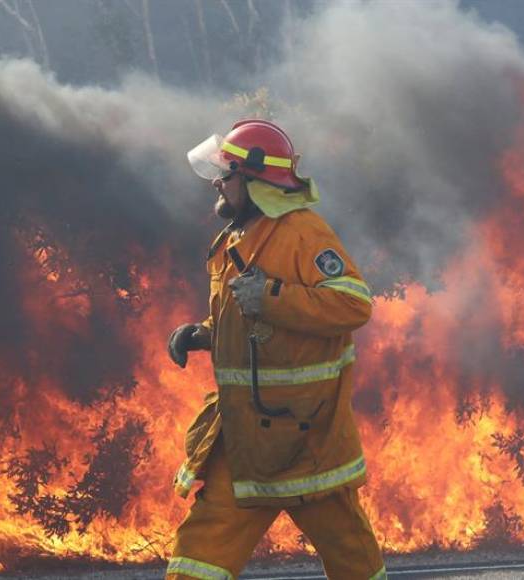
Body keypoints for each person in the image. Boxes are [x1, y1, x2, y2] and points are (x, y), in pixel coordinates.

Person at [165, 120, 386, 580]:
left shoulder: (302, 232)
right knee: (197, 556)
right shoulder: (235, 238)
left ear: (254, 178)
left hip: (307, 440)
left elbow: (353, 304)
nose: (217, 184)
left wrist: (273, 297)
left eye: (225, 175)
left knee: (352, 558)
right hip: (243, 440)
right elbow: (245, 317)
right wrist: (203, 334)